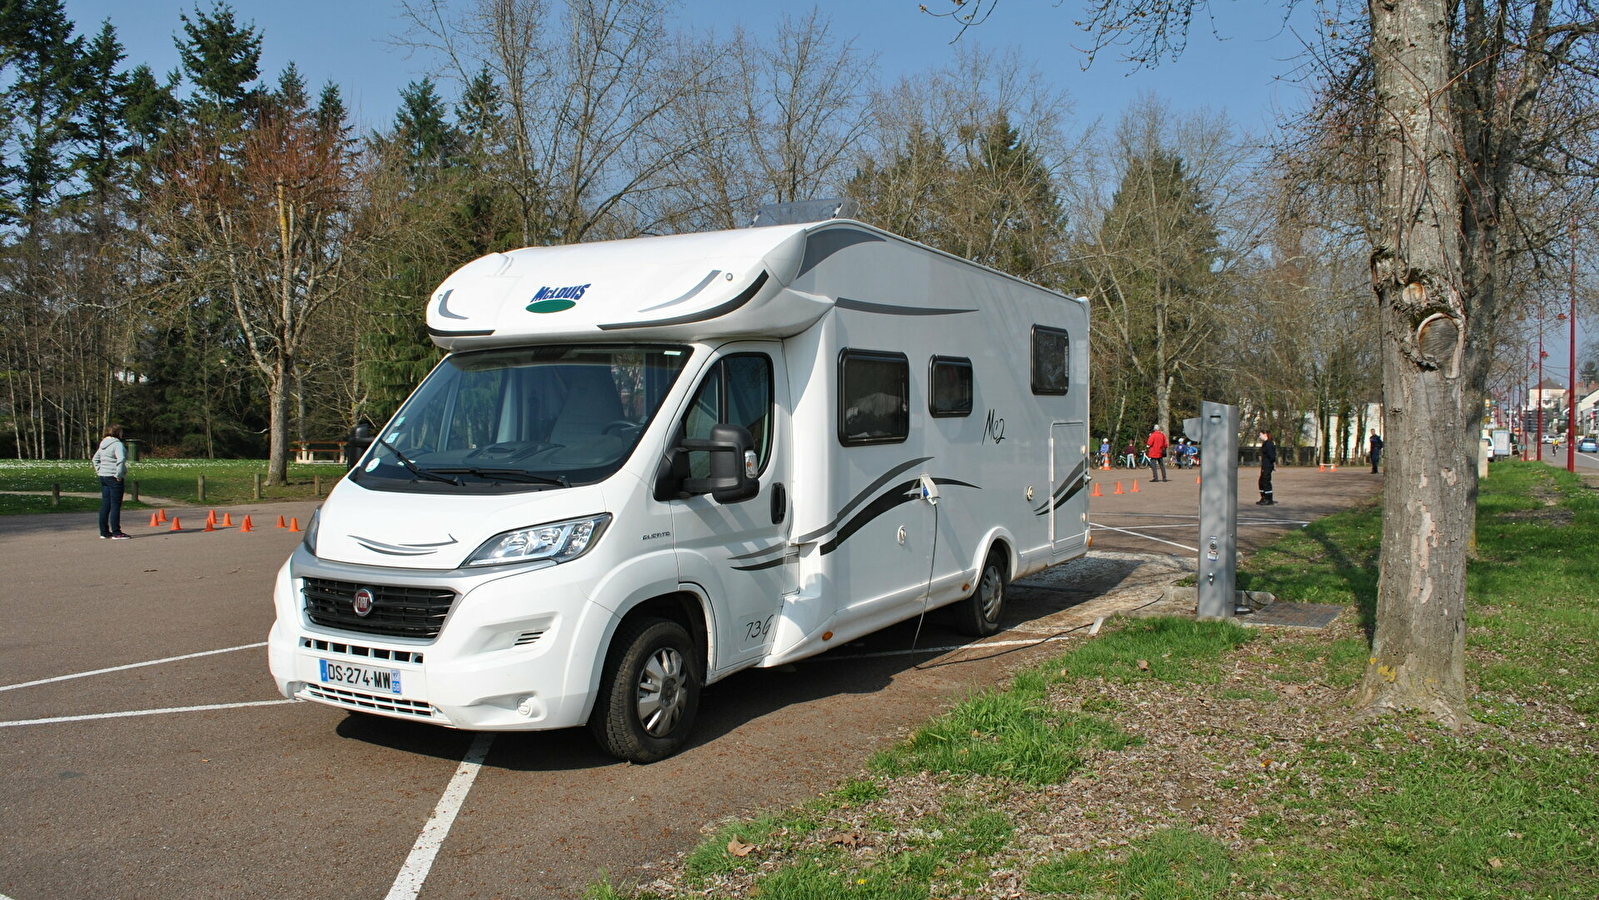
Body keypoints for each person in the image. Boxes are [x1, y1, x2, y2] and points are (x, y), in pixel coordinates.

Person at [92, 424, 131, 540]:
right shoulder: (117, 444)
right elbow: (121, 459)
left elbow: (95, 459)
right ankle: (116, 532)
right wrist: (119, 474)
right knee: (115, 505)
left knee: (106, 505)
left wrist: (99, 470)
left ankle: (104, 531)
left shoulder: (103, 444)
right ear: (118, 433)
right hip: (114, 477)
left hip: (104, 476)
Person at [1257, 430, 1277, 505]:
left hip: (1267, 465)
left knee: (1266, 481)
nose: (1260, 436)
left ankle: (1269, 499)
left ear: (1265, 434)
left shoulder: (1269, 444)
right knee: (1261, 481)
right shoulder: (1266, 443)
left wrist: (1272, 464)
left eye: (1260, 435)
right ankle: (1263, 497)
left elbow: (1272, 455)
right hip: (1265, 465)